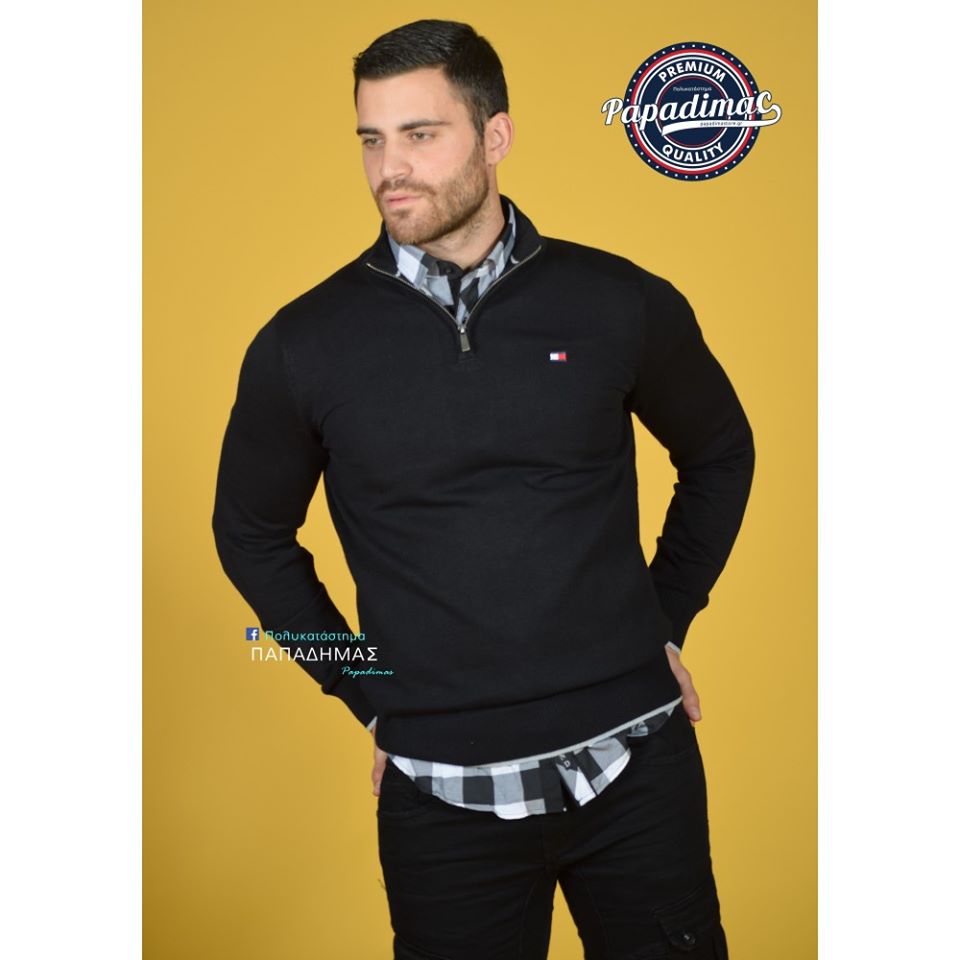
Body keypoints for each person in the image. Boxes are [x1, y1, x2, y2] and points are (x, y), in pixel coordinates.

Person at [212, 18, 755, 960]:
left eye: (421, 135)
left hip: (637, 770)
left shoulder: (617, 301)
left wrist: (664, 617)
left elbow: (720, 452)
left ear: (494, 136)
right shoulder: (304, 344)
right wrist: (362, 687)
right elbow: (248, 535)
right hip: (443, 805)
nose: (390, 168)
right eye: (372, 139)